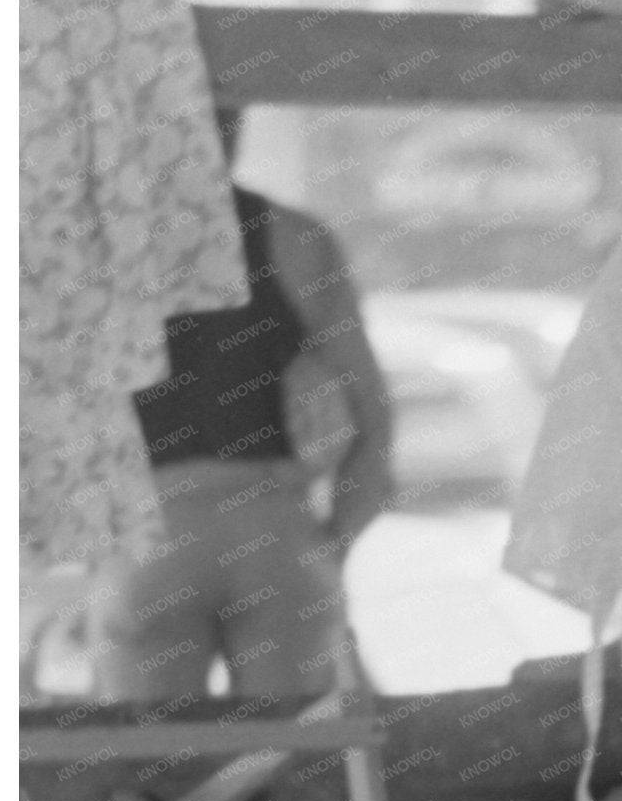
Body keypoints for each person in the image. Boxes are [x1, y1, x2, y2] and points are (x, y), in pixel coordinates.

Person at [89, 105, 395, 701]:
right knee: (295, 762)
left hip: (149, 534)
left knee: (150, 772)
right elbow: (374, 422)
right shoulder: (294, 240)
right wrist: (331, 544)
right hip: (273, 527)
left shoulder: (90, 247)